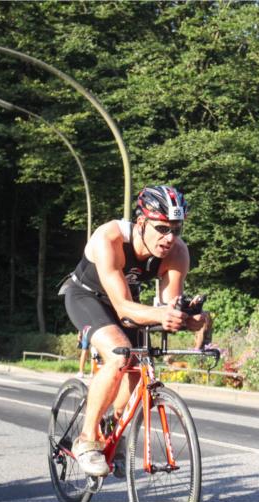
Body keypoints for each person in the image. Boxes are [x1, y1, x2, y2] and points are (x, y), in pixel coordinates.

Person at [62, 185, 211, 476]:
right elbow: (120, 306)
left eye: (176, 230)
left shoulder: (177, 252)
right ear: (141, 223)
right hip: (87, 296)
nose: (169, 238)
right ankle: (86, 438)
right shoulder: (110, 238)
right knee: (120, 354)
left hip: (129, 302)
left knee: (138, 364)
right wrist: (161, 313)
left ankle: (114, 433)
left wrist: (187, 318)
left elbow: (167, 307)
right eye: (162, 228)